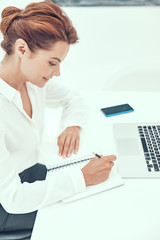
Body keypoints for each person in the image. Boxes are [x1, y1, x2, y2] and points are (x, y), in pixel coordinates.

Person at [0, 0, 116, 234]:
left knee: (99, 199)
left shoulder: (32, 83)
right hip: (7, 206)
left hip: (32, 175)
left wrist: (72, 125)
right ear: (22, 49)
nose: (57, 72)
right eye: (52, 63)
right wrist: (82, 178)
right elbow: (12, 198)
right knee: (81, 219)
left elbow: (72, 98)